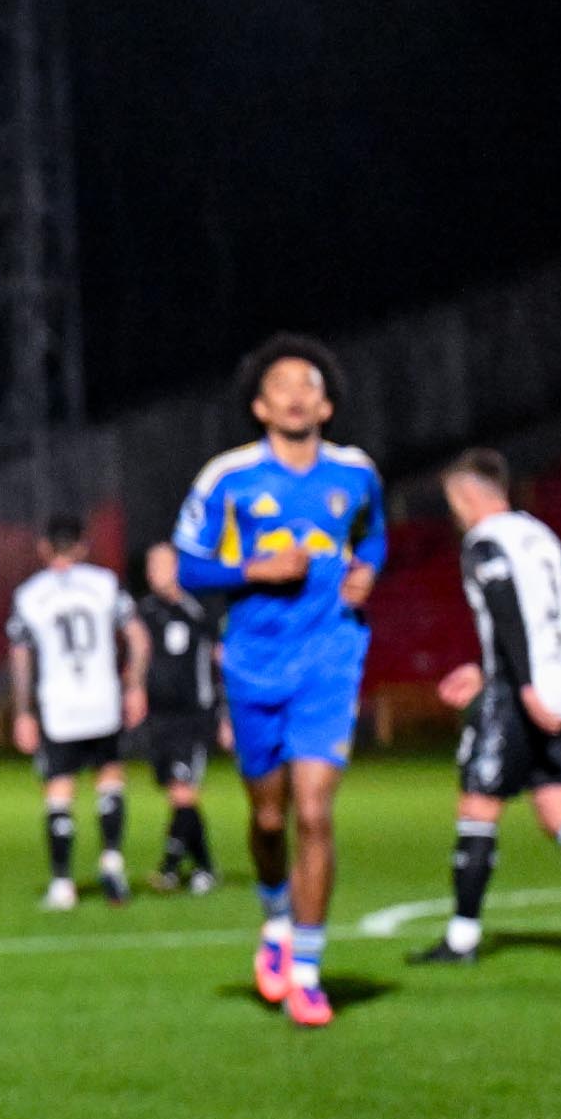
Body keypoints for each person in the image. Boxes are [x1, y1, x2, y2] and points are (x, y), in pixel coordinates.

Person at [171, 334, 386, 1028]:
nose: (297, 393)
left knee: (315, 810)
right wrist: (252, 572)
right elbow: (188, 566)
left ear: (326, 402)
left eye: (309, 383)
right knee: (268, 818)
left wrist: (367, 572)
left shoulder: (356, 473)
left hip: (332, 655)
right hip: (254, 662)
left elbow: (374, 535)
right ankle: (275, 919)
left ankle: (310, 971)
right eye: (283, 384)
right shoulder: (226, 477)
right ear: (261, 405)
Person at [414, 449, 561, 964]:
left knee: (477, 806)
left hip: (523, 694)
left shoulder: (485, 542)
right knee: (558, 809)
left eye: (453, 501)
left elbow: (507, 613)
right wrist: (487, 669)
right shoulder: (540, 535)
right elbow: (539, 618)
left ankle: (462, 939)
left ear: (468, 496)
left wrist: (520, 687)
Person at [7, 517, 149, 909]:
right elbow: (138, 637)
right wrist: (135, 684)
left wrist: (22, 712)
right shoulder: (105, 583)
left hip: (59, 706)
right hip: (104, 700)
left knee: (59, 791)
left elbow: (21, 657)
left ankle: (62, 885)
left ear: (44, 548)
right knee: (110, 780)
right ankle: (112, 862)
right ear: (82, 548)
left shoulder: (29, 594)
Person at [135, 543, 227, 894]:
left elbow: (220, 662)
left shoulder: (199, 610)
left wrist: (226, 716)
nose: (156, 573)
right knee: (176, 792)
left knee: (183, 792)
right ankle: (196, 868)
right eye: (152, 566)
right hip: (158, 719)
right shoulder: (142, 613)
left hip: (194, 717)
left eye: (163, 565)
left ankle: (178, 867)